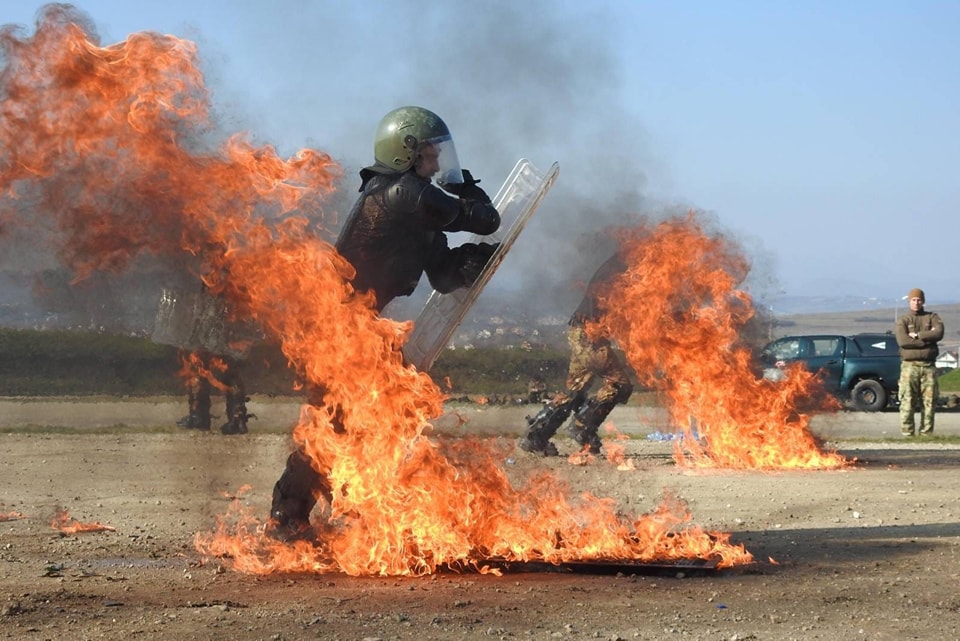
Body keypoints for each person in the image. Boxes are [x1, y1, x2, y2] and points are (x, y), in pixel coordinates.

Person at [270, 106, 501, 536]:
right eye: (431, 155)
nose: (437, 164)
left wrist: (471, 264)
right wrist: (465, 188)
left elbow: (444, 274)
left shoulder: (422, 218)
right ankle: (289, 517)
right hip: (337, 326)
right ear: (405, 154)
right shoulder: (401, 194)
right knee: (337, 420)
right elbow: (485, 220)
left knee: (358, 420)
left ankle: (330, 512)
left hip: (361, 327)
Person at [519, 253, 634, 456]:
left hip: (580, 331)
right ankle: (582, 426)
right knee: (620, 384)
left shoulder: (619, 263)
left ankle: (536, 436)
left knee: (574, 390)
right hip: (589, 334)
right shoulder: (630, 266)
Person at [894, 287, 944, 436]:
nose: (916, 303)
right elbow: (903, 341)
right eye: (914, 300)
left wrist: (917, 335)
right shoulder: (903, 320)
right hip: (910, 367)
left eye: (919, 300)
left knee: (929, 402)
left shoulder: (932, 317)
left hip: (928, 367)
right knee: (907, 400)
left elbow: (939, 332)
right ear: (909, 301)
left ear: (923, 301)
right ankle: (907, 433)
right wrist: (925, 342)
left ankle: (926, 433)